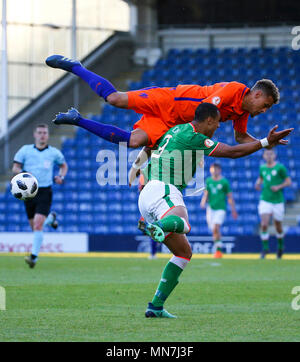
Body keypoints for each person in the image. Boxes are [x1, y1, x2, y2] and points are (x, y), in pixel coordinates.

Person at [136, 103, 292, 318]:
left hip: (147, 193)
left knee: (183, 253)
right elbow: (231, 151)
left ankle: (155, 306)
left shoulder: (174, 130)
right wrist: (265, 142)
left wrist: (140, 177)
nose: (219, 126)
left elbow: (150, 154)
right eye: (218, 121)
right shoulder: (195, 136)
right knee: (184, 222)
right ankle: (157, 227)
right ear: (209, 120)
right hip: (164, 188)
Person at [45, 55, 282, 154]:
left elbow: (241, 138)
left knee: (133, 141)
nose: (264, 111)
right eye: (266, 105)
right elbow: (204, 112)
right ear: (258, 94)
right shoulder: (232, 89)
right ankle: (75, 66)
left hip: (173, 121)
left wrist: (264, 143)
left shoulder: (241, 112)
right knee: (114, 98)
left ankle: (77, 119)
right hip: (169, 99)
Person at [12, 124, 68, 268]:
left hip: (44, 191)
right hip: (28, 192)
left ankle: (33, 258)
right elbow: (15, 167)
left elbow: (63, 165)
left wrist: (61, 176)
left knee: (37, 225)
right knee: (35, 226)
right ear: (34, 134)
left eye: (44, 132)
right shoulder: (25, 150)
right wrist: (22, 174)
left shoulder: (54, 153)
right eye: (40, 132)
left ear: (47, 135)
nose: (42, 135)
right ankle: (50, 219)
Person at [255, 149, 291, 259]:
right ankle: (265, 249)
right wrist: (257, 184)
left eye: (271, 154)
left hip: (278, 201)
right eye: (267, 154)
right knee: (264, 224)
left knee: (278, 226)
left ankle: (280, 247)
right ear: (264, 156)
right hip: (265, 199)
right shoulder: (262, 168)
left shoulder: (280, 168)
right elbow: (261, 178)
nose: (269, 156)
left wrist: (278, 186)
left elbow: (288, 182)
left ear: (274, 155)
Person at [200, 163, 238, 258]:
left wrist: (233, 209)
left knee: (216, 227)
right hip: (211, 208)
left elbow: (229, 196)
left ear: (219, 170)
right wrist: (203, 202)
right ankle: (218, 248)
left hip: (221, 209)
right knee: (214, 230)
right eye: (213, 169)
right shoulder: (208, 181)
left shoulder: (224, 182)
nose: (214, 171)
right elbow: (206, 193)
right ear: (210, 170)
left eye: (216, 169)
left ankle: (219, 251)